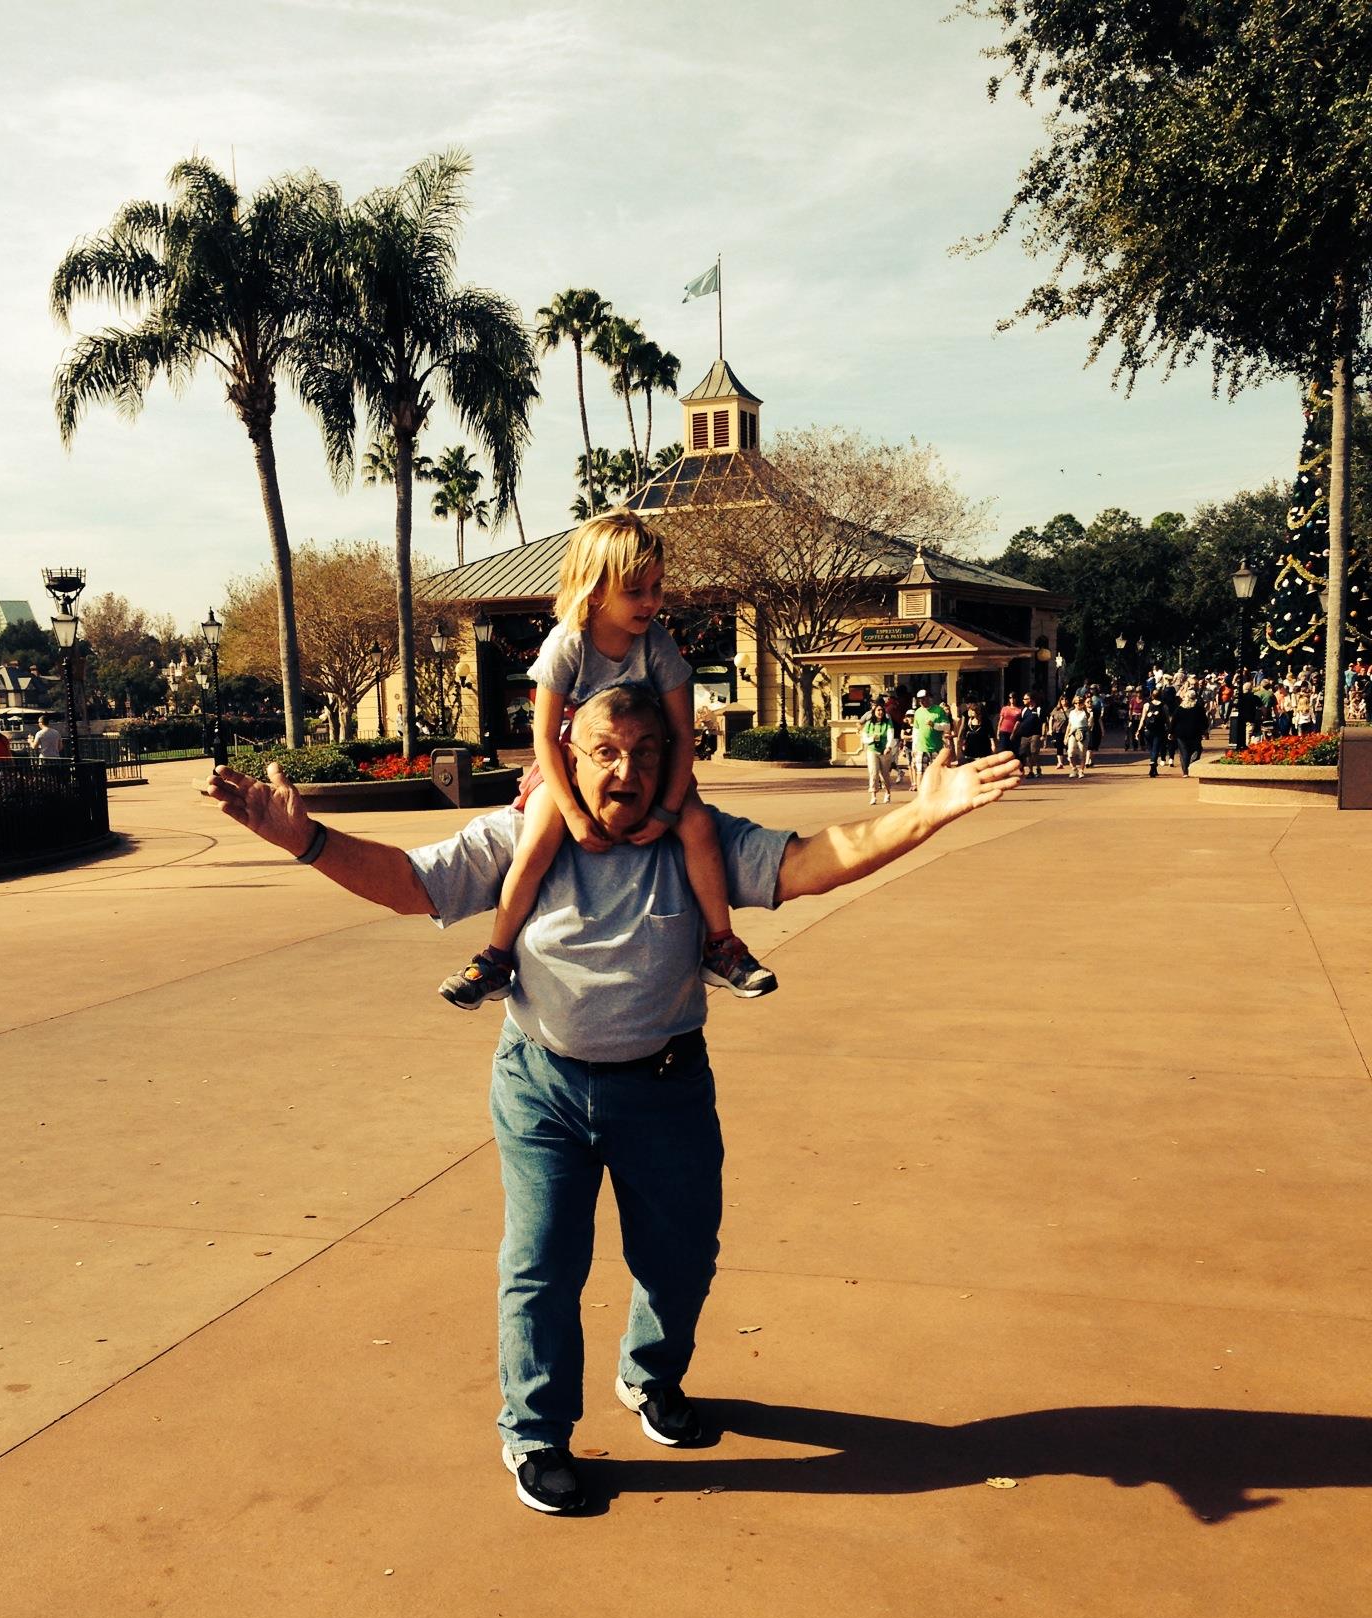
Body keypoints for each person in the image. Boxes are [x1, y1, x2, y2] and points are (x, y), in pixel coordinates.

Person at [203, 686, 1022, 1514]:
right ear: (568, 754)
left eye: (643, 751)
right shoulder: (527, 834)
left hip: (665, 1085)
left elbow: (805, 862)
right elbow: (413, 883)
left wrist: (924, 815)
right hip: (542, 1087)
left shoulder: (692, 841)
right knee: (542, 1266)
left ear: (667, 761)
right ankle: (537, 1433)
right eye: (604, 750)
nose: (625, 769)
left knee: (681, 1256)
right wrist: (303, 839)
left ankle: (650, 1376)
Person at [438, 511, 776, 1008]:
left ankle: (722, 945)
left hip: (648, 768)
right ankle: (495, 957)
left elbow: (682, 737)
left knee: (699, 827)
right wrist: (571, 813)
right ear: (595, 589)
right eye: (636, 590)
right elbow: (545, 739)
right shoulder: (567, 644)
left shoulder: (657, 644)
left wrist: (668, 808)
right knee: (535, 842)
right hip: (572, 770)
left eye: (657, 587)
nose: (651, 602)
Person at [911, 686, 955, 787]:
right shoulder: (917, 712)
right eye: (920, 699)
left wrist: (934, 725)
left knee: (936, 773)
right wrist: (914, 747)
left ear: (929, 698)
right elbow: (916, 730)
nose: (922, 701)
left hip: (936, 747)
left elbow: (947, 726)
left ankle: (936, 792)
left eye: (923, 698)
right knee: (920, 772)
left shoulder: (938, 710)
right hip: (921, 748)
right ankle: (921, 796)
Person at [860, 696, 896, 803]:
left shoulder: (887, 721)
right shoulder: (869, 722)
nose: (880, 712)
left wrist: (888, 746)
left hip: (884, 750)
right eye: (878, 710)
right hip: (872, 750)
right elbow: (864, 737)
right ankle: (873, 796)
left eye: (881, 710)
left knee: (885, 774)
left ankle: (888, 792)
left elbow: (890, 734)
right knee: (873, 772)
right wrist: (872, 738)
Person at [1064, 693, 1092, 778]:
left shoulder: (1086, 713)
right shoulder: (1071, 712)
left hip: (1082, 733)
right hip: (1072, 733)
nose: (1078, 704)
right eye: (1076, 703)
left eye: (1080, 702)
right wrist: (1066, 736)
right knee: (1070, 752)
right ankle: (1074, 769)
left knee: (1082, 753)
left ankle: (1081, 770)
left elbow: (1090, 724)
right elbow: (1069, 724)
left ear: (1083, 703)